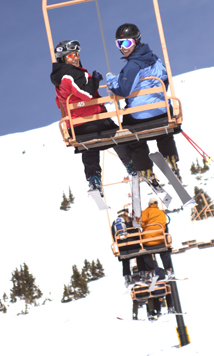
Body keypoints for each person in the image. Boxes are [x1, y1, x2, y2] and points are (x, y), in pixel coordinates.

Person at [50, 40, 135, 195]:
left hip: (77, 125)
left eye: (76, 54)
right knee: (118, 135)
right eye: (70, 56)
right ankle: (132, 165)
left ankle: (93, 178)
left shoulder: (59, 80)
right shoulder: (69, 75)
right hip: (93, 119)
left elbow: (60, 104)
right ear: (63, 58)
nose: (75, 58)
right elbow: (86, 94)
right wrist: (95, 79)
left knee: (88, 146)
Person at [106, 23, 181, 182]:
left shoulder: (133, 65)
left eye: (127, 43)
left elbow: (124, 90)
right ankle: (171, 159)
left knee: (132, 136)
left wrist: (111, 81)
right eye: (119, 43)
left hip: (140, 116)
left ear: (136, 41)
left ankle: (145, 169)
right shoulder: (155, 59)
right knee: (164, 132)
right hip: (161, 112)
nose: (123, 48)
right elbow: (165, 81)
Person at [141, 197, 174, 280]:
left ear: (149, 204)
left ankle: (151, 270)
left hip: (148, 241)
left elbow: (140, 223)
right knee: (164, 251)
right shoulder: (161, 213)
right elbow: (164, 225)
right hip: (160, 240)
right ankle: (168, 270)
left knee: (145, 253)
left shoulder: (145, 212)